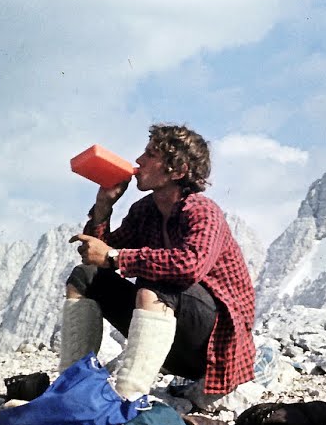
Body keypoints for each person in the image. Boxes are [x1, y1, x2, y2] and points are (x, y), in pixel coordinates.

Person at [62, 123, 257, 409]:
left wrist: (114, 257)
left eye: (151, 155)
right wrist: (104, 206)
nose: (139, 160)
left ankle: (126, 398)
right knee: (86, 277)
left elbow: (189, 267)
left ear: (177, 171)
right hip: (170, 341)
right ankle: (69, 389)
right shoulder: (145, 211)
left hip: (215, 346)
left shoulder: (202, 211)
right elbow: (102, 258)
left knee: (158, 281)